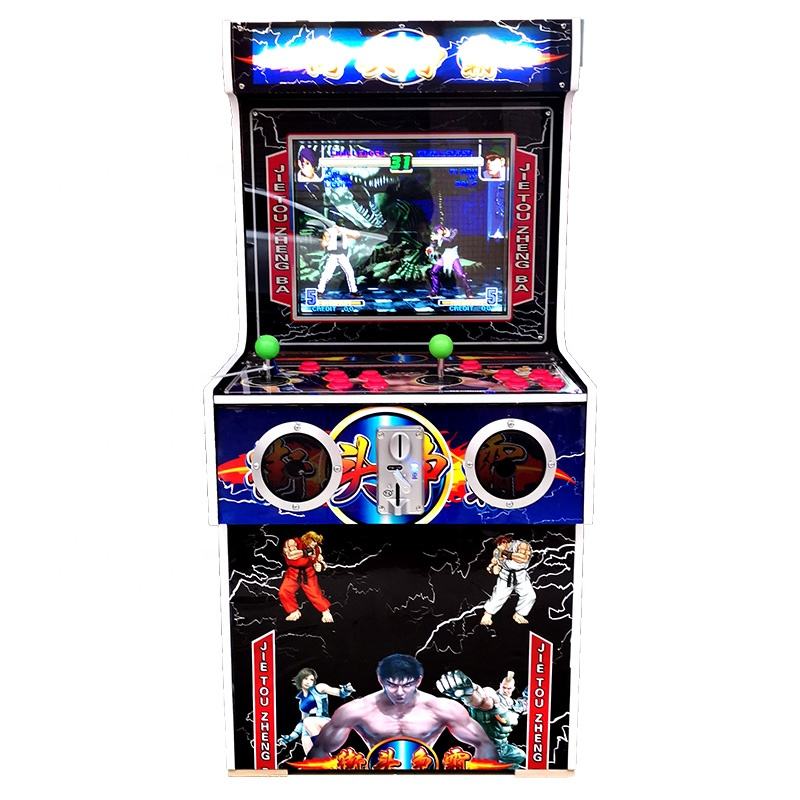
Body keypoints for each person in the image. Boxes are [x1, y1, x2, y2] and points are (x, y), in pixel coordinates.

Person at [306, 654, 497, 760]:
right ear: (380, 680)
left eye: (407, 685)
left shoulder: (441, 708)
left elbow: (484, 744)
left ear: (418, 681)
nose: (399, 692)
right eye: (392, 684)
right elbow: (320, 749)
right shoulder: (356, 710)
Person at [436, 669, 527, 767]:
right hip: (487, 749)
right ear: (500, 685)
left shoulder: (514, 704)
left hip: (503, 748)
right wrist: (469, 693)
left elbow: (526, 703)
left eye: (509, 688)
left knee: (520, 756)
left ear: (513, 688)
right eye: (504, 687)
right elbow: (484, 701)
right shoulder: (494, 698)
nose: (505, 690)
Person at [278, 668, 355, 754]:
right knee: (310, 753)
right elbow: (302, 721)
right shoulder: (301, 701)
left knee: (308, 721)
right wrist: (290, 737)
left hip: (324, 722)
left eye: (311, 680)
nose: (308, 682)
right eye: (306, 678)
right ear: (300, 679)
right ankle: (321, 757)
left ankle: (321, 748)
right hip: (309, 726)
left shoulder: (319, 688)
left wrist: (346, 690)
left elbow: (339, 692)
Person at [278, 531, 334, 623]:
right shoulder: (294, 542)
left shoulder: (316, 549)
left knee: (315, 594)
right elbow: (291, 556)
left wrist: (320, 565)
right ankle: (294, 612)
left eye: (316, 542)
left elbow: (320, 561)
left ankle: (326, 612)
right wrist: (305, 553)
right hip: (293, 573)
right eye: (313, 541)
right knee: (284, 591)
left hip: (308, 574)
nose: (314, 544)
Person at [480, 535, 535, 626]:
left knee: (530, 595)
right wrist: (493, 568)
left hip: (521, 576)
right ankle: (487, 615)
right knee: (498, 596)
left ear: (505, 541)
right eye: (498, 545)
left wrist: (504, 552)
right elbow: (494, 563)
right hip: (505, 576)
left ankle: (519, 614)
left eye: (500, 544)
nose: (499, 547)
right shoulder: (498, 550)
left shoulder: (522, 545)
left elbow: (523, 558)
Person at [426, 225, 474, 298]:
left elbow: (450, 240)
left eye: (439, 232)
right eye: (437, 232)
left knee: (461, 275)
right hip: (444, 256)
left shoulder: (453, 231)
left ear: (443, 229)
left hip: (453, 256)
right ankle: (434, 291)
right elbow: (433, 244)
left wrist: (439, 237)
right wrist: (430, 248)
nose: (439, 233)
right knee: (433, 271)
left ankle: (468, 292)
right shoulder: (438, 235)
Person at [317, 226, 362, 297]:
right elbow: (324, 243)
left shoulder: (344, 231)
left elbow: (356, 235)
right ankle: (320, 291)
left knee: (350, 272)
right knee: (327, 274)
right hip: (333, 255)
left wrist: (344, 231)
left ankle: (353, 291)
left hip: (342, 255)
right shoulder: (329, 231)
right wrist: (326, 239)